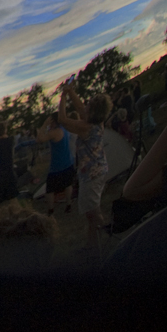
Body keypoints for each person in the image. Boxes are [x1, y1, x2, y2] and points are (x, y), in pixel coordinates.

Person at [58, 85, 112, 250]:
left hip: (92, 174)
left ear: (93, 110)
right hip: (97, 170)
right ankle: (92, 245)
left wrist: (63, 98)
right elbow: (81, 107)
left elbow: (62, 120)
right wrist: (70, 91)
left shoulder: (86, 127)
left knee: (93, 213)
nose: (85, 105)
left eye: (89, 104)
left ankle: (110, 236)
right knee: (91, 213)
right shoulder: (96, 122)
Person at [35, 112, 74, 215]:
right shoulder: (65, 129)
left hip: (57, 166)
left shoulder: (55, 132)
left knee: (50, 190)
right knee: (67, 184)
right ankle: (69, 205)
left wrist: (44, 125)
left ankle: (50, 210)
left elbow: (39, 139)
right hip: (68, 162)